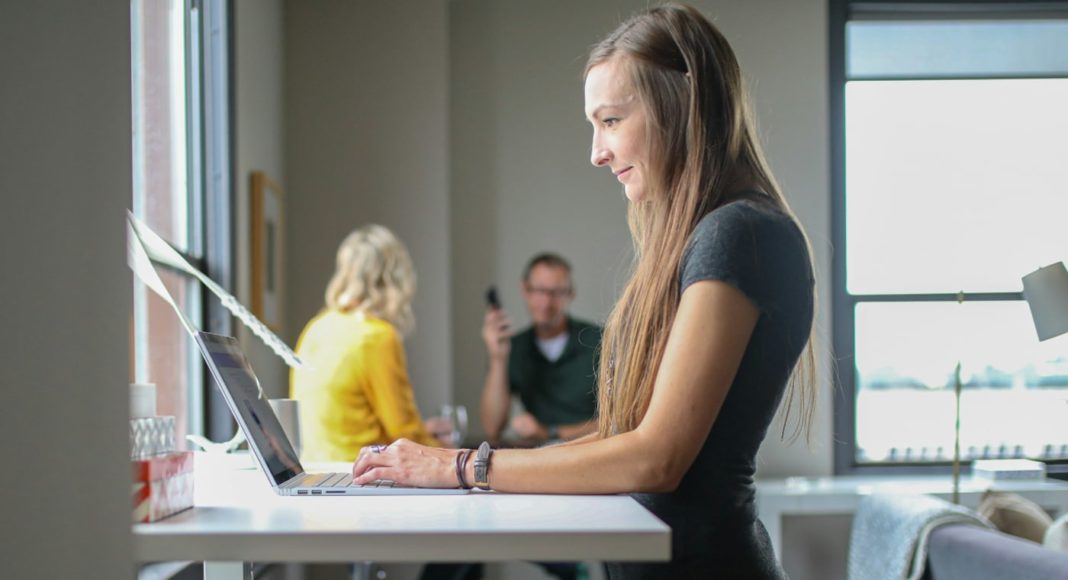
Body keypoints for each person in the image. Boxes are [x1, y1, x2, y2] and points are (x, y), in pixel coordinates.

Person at [352, 4, 817, 578]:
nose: (597, 151)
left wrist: (460, 466)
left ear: (684, 105)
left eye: (612, 121)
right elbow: (623, 435)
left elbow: (656, 458)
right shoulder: (715, 234)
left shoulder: (739, 233)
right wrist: (463, 468)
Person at [290, 225, 446, 462]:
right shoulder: (376, 337)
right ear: (395, 278)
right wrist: (446, 451)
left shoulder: (315, 327)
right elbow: (404, 433)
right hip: (361, 476)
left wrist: (423, 430)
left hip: (314, 471)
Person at [481, 253, 601, 444]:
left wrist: (550, 433)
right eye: (538, 290)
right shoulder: (515, 347)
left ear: (571, 294)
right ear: (525, 290)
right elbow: (492, 427)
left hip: (591, 452)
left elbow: (619, 421)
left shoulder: (599, 341)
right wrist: (497, 358)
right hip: (537, 459)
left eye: (556, 292)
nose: (546, 302)